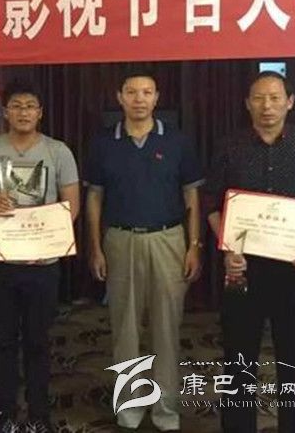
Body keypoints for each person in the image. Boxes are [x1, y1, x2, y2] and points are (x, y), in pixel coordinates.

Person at [205, 70, 295, 433]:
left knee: (293, 360)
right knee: (238, 359)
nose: (266, 106)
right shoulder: (230, 146)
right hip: (242, 269)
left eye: (274, 98)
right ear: (247, 103)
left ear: (290, 102)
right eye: (258, 98)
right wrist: (227, 246)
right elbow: (211, 202)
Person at [85, 69, 203, 432]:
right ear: (119, 97)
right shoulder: (103, 143)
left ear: (157, 98)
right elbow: (94, 198)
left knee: (167, 328)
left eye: (147, 92)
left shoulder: (178, 141)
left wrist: (194, 246)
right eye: (132, 92)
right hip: (120, 240)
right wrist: (95, 247)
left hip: (169, 239)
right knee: (125, 328)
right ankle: (130, 410)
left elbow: (191, 196)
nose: (139, 99)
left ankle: (166, 410)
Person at [0, 80, 80, 433]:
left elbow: (72, 206)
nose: (23, 112)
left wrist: (45, 231)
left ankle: (39, 415)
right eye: (16, 105)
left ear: (40, 112)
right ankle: (6, 414)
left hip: (42, 264)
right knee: (3, 341)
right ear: (5, 112)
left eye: (30, 105)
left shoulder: (58, 152)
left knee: (38, 341)